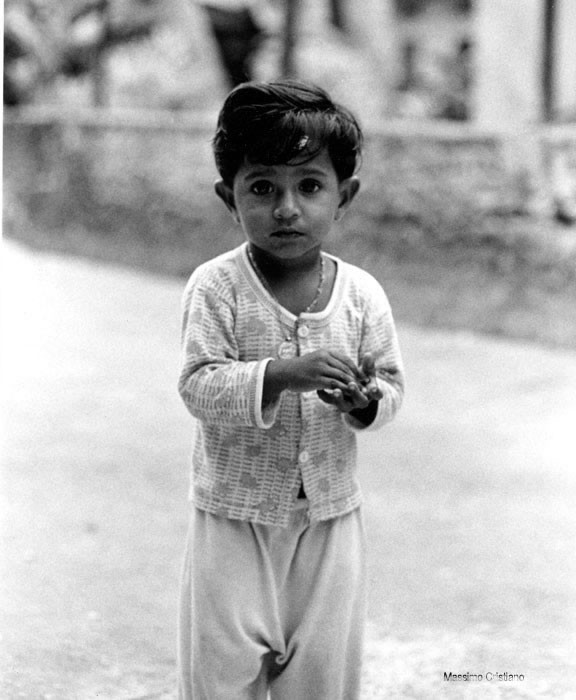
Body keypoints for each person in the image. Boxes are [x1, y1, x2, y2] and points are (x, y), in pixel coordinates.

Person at [177, 78, 405, 700]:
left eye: (309, 186)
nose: (286, 208)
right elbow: (198, 385)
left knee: (323, 675)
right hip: (234, 518)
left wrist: (365, 402)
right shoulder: (216, 287)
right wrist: (281, 374)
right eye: (262, 188)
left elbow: (390, 383)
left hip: (330, 519)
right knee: (221, 673)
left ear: (343, 195)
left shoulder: (361, 295)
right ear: (229, 198)